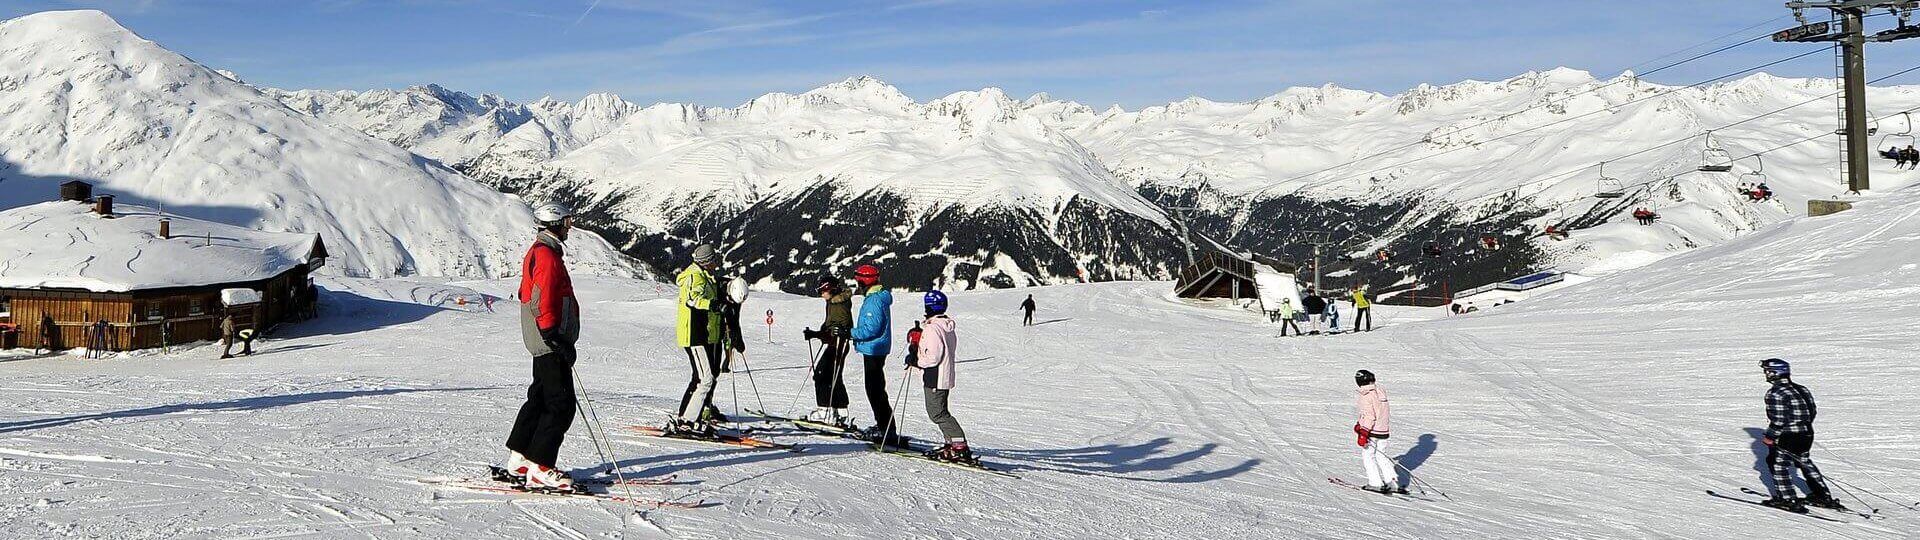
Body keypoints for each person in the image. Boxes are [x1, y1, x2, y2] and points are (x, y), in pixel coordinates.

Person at [504, 202, 582, 492]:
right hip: (549, 340)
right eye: (567, 221)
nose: (569, 226)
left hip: (543, 340)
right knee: (561, 404)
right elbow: (541, 298)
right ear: (556, 223)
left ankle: (521, 458)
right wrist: (553, 336)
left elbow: (529, 293)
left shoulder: (541, 251)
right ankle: (541, 467)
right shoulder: (547, 255)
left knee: (540, 397)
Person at [1758, 358, 1842, 512]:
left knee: (1778, 464)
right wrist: (1803, 425)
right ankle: (1822, 495)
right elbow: (1812, 410)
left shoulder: (1775, 393)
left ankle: (1787, 499)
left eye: (1767, 371)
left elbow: (1778, 420)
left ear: (1775, 372)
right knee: (1804, 461)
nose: (1766, 374)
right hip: (1807, 433)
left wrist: (1770, 437)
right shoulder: (1802, 389)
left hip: (1788, 435)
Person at [910, 290, 973, 463]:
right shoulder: (945, 326)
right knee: (941, 410)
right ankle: (951, 443)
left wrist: (916, 359)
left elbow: (933, 357)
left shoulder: (932, 328)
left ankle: (959, 446)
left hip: (935, 375)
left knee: (937, 413)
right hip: (943, 374)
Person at [672, 244, 726, 437]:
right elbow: (692, 300)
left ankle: (690, 417)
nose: (716, 263)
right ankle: (687, 421)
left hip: (701, 333)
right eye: (713, 260)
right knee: (706, 378)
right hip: (693, 334)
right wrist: (713, 304)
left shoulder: (703, 275)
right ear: (706, 261)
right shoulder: (695, 276)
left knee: (701, 377)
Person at [849, 264, 905, 447]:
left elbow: (871, 329)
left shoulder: (874, 301)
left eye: (858, 280)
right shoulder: (878, 297)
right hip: (876, 348)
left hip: (873, 349)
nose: (857, 283)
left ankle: (886, 429)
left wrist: (850, 332)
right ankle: (885, 427)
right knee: (876, 389)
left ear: (864, 280)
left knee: (875, 390)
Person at [802, 277, 855, 426]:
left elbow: (836, 331)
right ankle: (841, 411)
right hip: (837, 344)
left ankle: (824, 411)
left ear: (831, 289)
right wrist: (817, 333)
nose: (821, 294)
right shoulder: (834, 302)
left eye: (822, 291)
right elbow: (830, 327)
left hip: (838, 345)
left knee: (822, 374)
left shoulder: (838, 305)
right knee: (833, 376)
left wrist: (817, 334)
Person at [1352, 369, 1401, 494]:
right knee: (1381, 456)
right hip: (1383, 430)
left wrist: (1363, 432)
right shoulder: (1380, 392)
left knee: (1368, 456)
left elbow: (1369, 416)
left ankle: (1375, 483)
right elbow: (1379, 412)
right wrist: (1360, 424)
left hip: (1372, 431)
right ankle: (1392, 482)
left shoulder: (1366, 395)